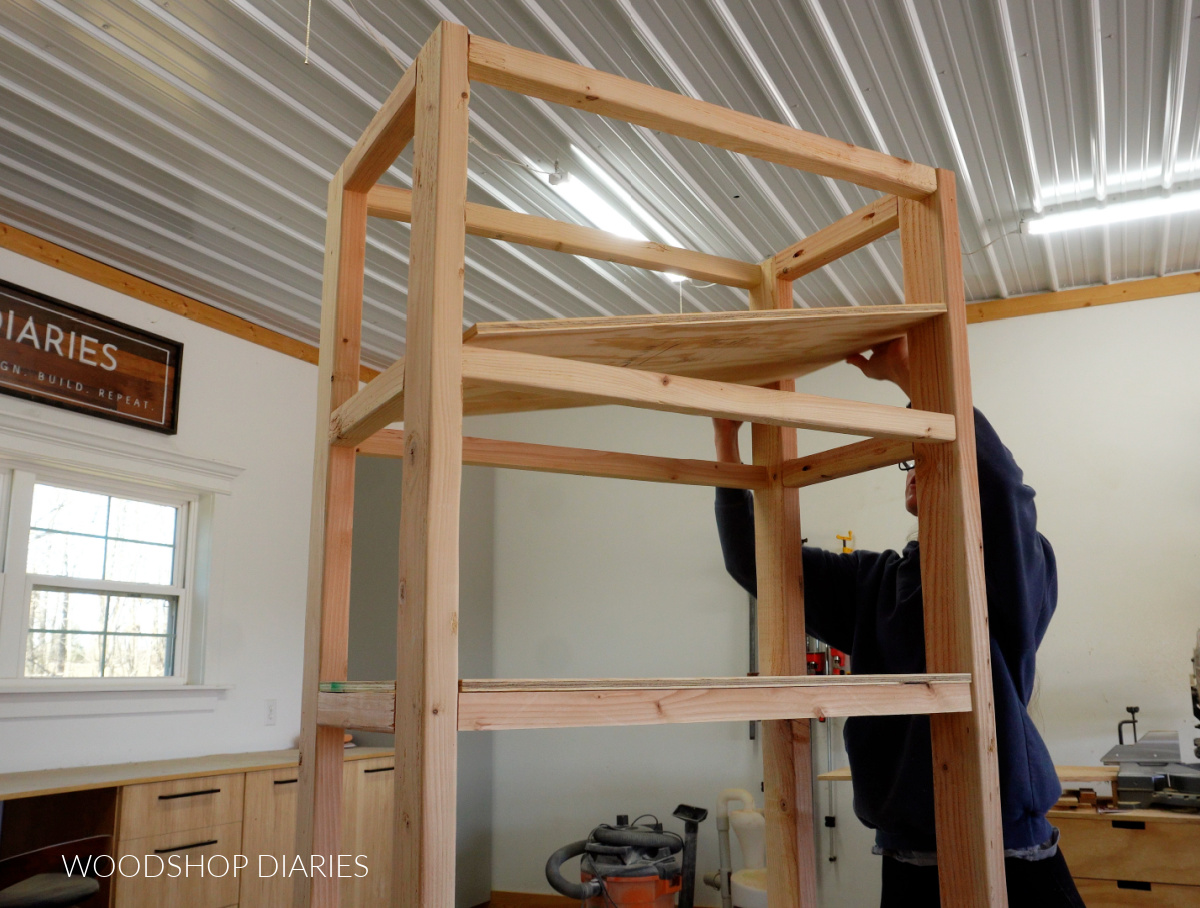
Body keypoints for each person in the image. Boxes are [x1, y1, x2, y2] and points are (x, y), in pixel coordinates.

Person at [711, 338, 1086, 907]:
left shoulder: (1014, 564)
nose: (918, 469)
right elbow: (753, 561)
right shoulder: (872, 582)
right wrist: (726, 437)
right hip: (907, 854)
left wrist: (911, 377)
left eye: (935, 453)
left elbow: (1003, 490)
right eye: (913, 457)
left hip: (1009, 850)